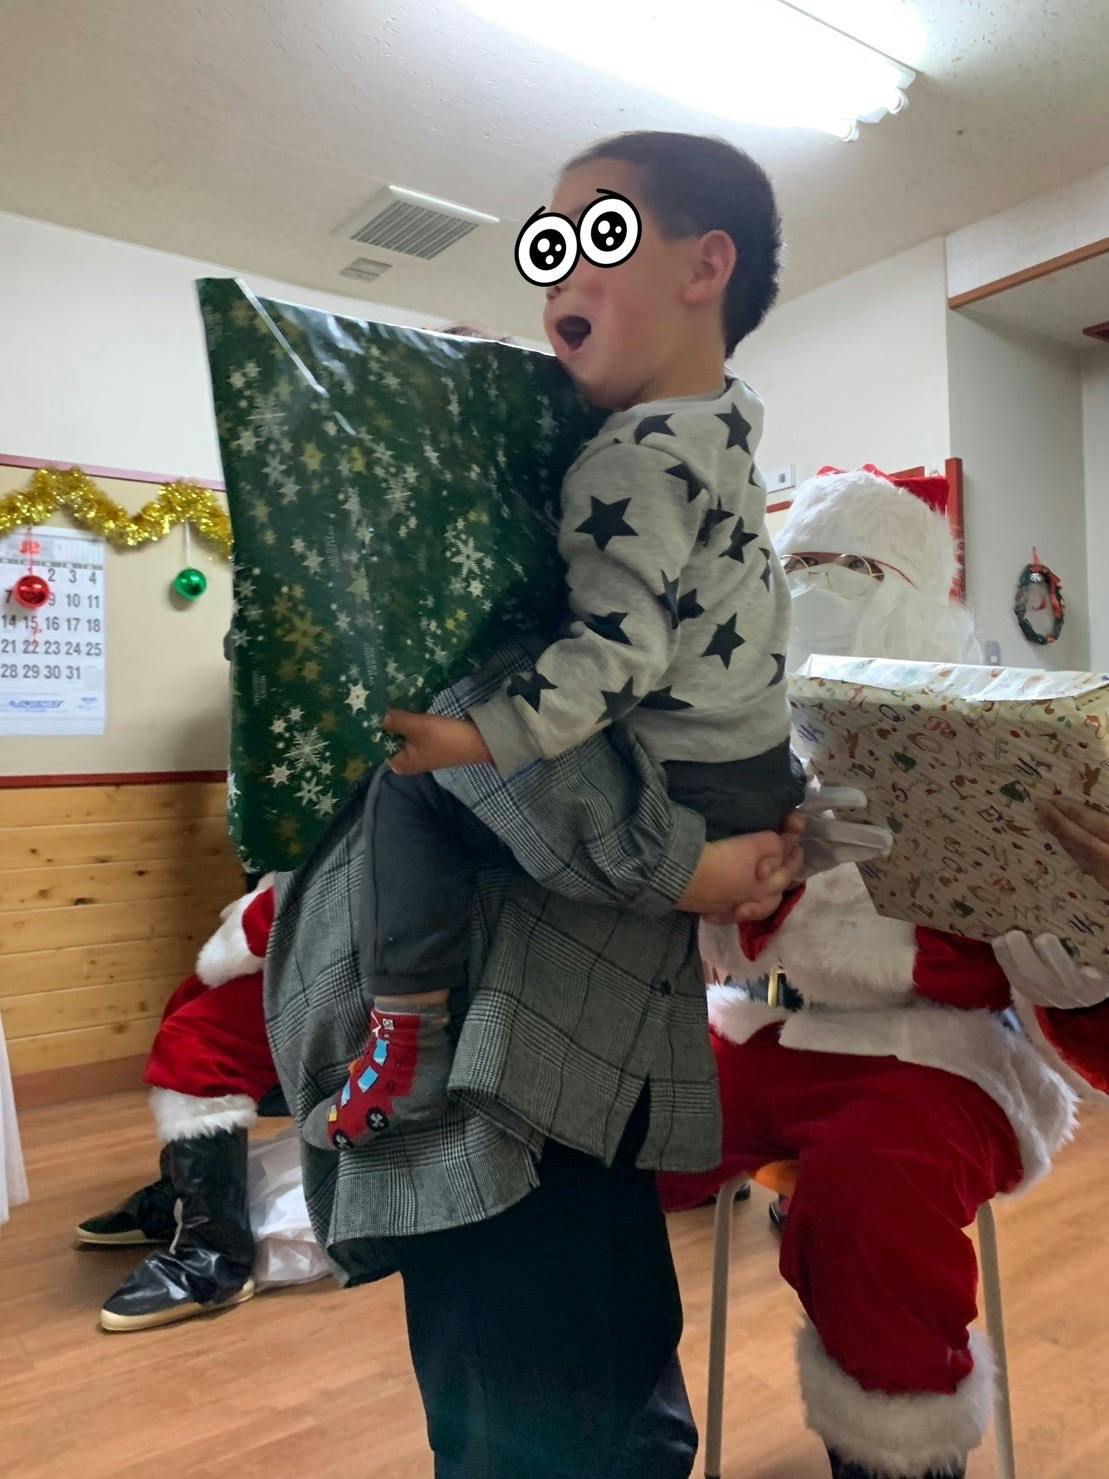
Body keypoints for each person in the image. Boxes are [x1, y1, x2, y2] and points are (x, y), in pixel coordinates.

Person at [308, 129, 806, 1151]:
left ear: (704, 266)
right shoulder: (719, 420)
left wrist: (476, 736)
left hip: (673, 802)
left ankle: (406, 1038)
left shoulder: (624, 461)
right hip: (749, 768)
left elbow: (615, 654)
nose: (557, 281)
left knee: (411, 786)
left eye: (596, 240)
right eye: (549, 255)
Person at [659, 464, 1109, 1479]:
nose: (820, 587)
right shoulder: (731, 741)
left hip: (940, 1056)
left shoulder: (997, 752)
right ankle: (608, 1420)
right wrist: (762, 877)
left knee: (871, 1194)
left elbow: (1050, 963)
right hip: (770, 1032)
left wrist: (1083, 974)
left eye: (851, 568)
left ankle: (900, 1458)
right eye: (801, 566)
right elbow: (708, 935)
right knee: (611, 1129)